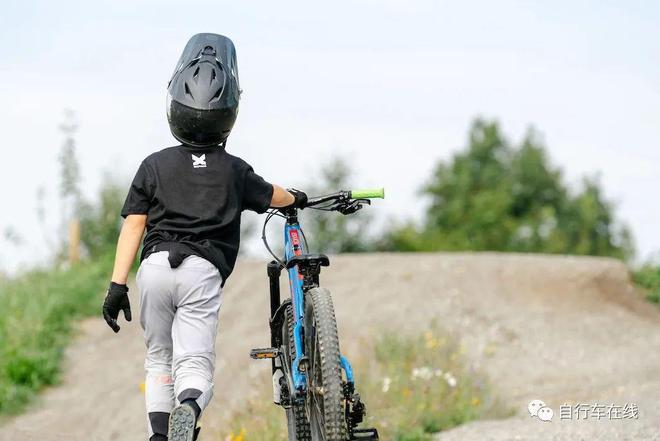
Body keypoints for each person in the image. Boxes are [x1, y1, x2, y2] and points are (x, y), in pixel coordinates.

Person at [102, 33, 307, 441]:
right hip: (201, 271)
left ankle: (160, 435)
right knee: (193, 361)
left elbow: (134, 224)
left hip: (156, 268)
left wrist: (116, 285)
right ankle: (190, 405)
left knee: (158, 358)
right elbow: (273, 195)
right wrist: (297, 197)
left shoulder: (153, 165)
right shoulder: (234, 170)